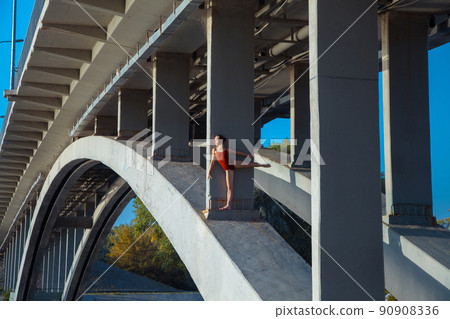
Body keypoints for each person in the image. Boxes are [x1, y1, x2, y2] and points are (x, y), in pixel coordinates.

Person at [207, 134, 270, 211]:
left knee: (249, 165)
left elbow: (238, 153)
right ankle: (228, 205)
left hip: (232, 164)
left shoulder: (226, 149)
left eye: (216, 139)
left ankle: (263, 165)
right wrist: (209, 172)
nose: (215, 141)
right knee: (229, 188)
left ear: (220, 141)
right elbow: (212, 162)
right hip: (227, 169)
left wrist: (248, 155)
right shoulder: (214, 150)